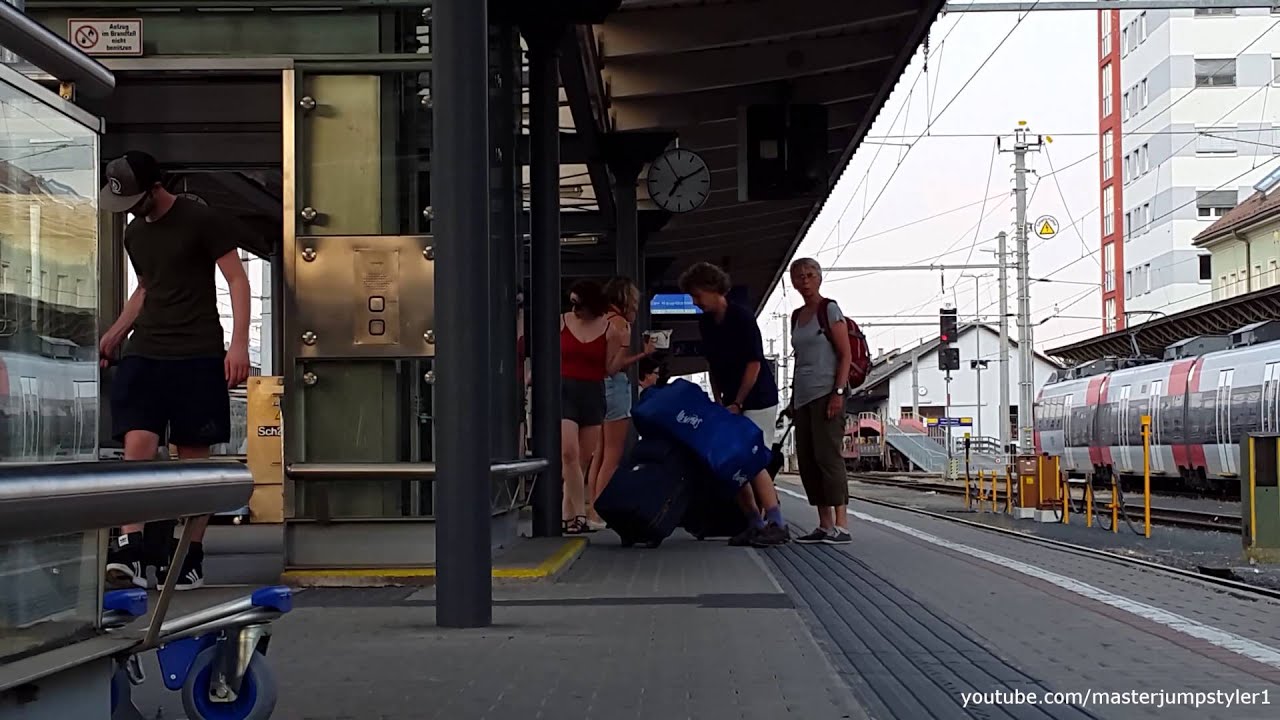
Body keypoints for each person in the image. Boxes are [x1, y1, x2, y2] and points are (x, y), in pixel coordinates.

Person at [98, 151, 254, 590]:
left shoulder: (201, 219)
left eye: (133, 198)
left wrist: (238, 344)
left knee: (192, 459)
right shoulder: (134, 235)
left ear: (154, 188)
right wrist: (116, 332)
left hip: (197, 352)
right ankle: (130, 548)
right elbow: (146, 288)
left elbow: (237, 280)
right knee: (137, 447)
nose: (128, 209)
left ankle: (187, 555)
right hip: (146, 350)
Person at [677, 262, 790, 547]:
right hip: (731, 400)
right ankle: (753, 521)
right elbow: (713, 365)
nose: (695, 302)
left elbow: (754, 363)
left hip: (758, 397)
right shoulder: (705, 323)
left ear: (715, 290)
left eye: (697, 295)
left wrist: (738, 401)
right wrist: (720, 401)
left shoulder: (741, 317)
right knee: (732, 461)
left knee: (752, 458)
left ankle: (776, 522)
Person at [785, 257, 853, 545]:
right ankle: (824, 524)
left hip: (826, 393)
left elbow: (845, 354)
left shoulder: (829, 310)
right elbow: (799, 359)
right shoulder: (796, 316)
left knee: (828, 458)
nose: (805, 280)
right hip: (802, 396)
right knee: (810, 460)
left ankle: (842, 525)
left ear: (820, 278)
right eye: (799, 276)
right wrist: (792, 397)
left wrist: (838, 393)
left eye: (810, 274)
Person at [586, 277, 656, 527]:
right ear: (626, 299)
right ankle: (600, 511)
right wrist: (642, 354)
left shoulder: (601, 321)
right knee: (613, 455)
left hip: (597, 388)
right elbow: (614, 366)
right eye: (634, 300)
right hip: (615, 387)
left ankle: (591, 510)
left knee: (599, 454)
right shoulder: (621, 326)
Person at [559, 280, 615, 535]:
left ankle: (566, 514)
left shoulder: (609, 329)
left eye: (579, 305)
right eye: (571, 303)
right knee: (568, 453)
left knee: (582, 459)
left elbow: (610, 368)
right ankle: (579, 514)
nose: (574, 309)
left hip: (593, 392)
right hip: (564, 391)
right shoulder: (561, 322)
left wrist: (630, 349)